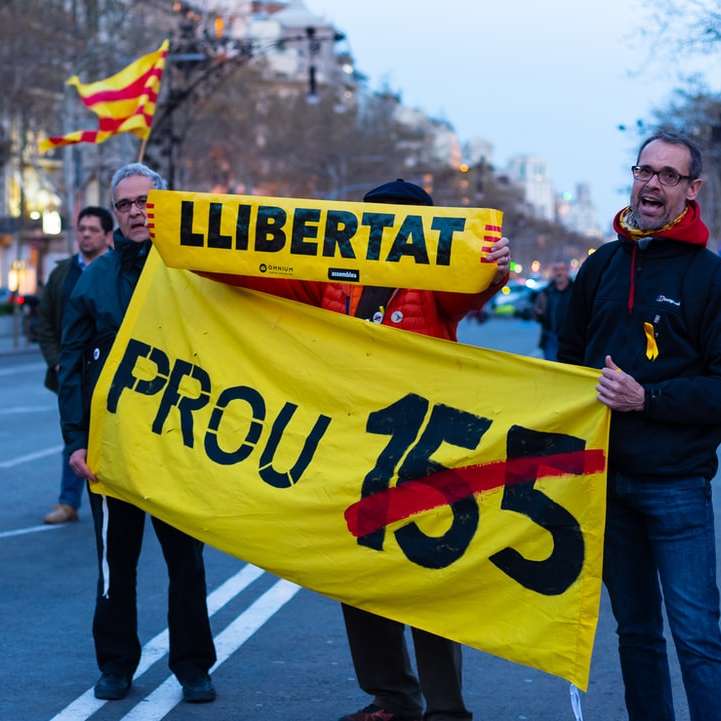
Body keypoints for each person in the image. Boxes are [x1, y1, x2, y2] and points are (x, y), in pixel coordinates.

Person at [209, 179, 510, 721]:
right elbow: (263, 275)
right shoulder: (335, 279)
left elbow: (472, 289)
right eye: (375, 221)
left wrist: (493, 268)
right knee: (359, 572)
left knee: (424, 576)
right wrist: (198, 253)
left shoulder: (435, 284)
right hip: (352, 448)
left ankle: (446, 709)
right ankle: (390, 697)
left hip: (418, 449)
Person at [558, 131, 721, 721]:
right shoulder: (600, 266)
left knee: (699, 638)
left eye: (669, 176)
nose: (652, 184)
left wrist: (646, 399)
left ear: (692, 189)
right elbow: (567, 362)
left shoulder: (709, 276)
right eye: (644, 170)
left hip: (676, 486)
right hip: (605, 483)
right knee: (637, 635)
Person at [58, 163, 217, 704]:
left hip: (177, 447)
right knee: (114, 568)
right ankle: (116, 665)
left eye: (142, 201)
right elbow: (72, 363)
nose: (133, 211)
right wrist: (76, 439)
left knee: (186, 565)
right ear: (115, 212)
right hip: (112, 454)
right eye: (123, 204)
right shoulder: (93, 279)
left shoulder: (192, 271)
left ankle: (193, 666)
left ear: (162, 205)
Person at [37, 206, 113, 524]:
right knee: (74, 436)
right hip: (72, 374)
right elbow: (45, 325)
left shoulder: (118, 271)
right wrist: (57, 363)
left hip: (111, 375)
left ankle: (124, 498)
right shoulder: (62, 274)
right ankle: (68, 502)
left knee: (115, 436)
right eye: (81, 229)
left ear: (107, 235)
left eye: (92, 229)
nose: (85, 234)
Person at [533, 258, 572, 361]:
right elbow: (536, 314)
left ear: (567, 271)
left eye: (562, 269)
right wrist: (538, 313)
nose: (559, 273)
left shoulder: (576, 291)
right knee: (551, 371)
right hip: (550, 338)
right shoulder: (545, 293)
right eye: (556, 270)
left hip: (570, 340)